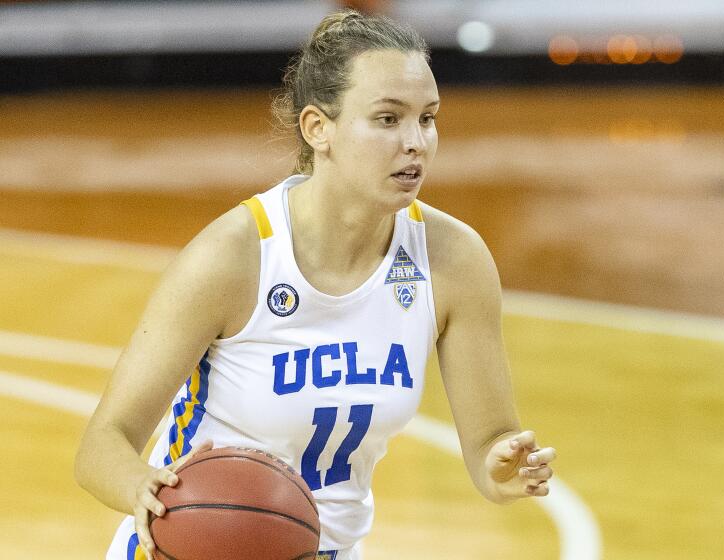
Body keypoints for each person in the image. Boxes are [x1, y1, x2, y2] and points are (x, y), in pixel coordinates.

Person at [75, 9, 556, 560]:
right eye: (387, 119)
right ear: (317, 128)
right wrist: (147, 492)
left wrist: (502, 469)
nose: (416, 142)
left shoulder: (454, 260)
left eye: (428, 118)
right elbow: (101, 446)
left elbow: (490, 441)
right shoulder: (235, 256)